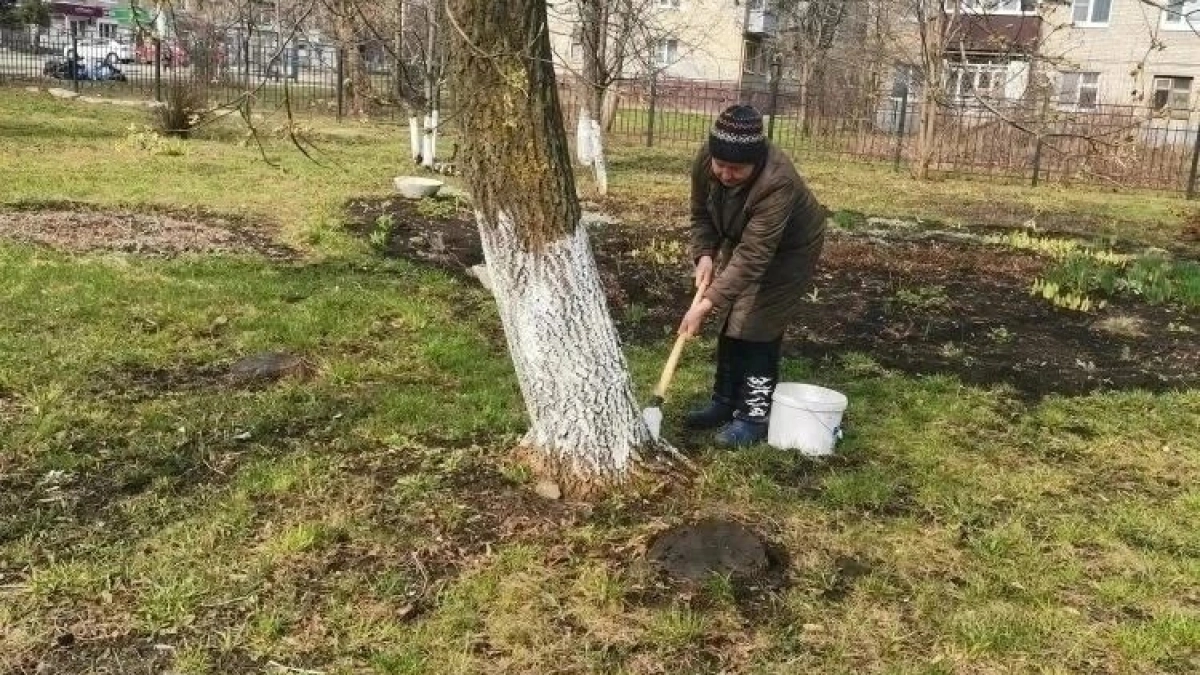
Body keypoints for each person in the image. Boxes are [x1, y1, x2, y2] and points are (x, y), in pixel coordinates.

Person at [678, 104, 830, 447]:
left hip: (790, 248)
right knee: (733, 316)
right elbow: (701, 213)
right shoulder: (706, 160)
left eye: (737, 168)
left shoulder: (778, 181)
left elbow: (753, 257)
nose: (726, 174)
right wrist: (704, 255)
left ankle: (754, 415)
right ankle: (724, 401)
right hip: (743, 236)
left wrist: (705, 304)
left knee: (758, 322)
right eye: (721, 165)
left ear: (756, 160)